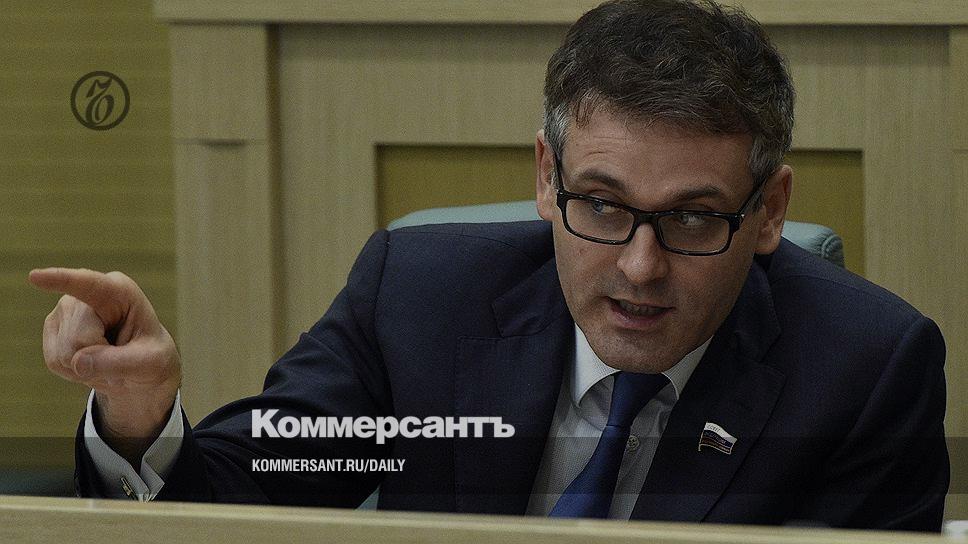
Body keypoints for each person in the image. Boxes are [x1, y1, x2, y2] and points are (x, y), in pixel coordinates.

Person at [30, 0, 948, 531]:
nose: (639, 267)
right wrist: (141, 415)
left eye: (693, 217)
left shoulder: (867, 370)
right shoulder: (420, 298)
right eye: (601, 205)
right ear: (546, 178)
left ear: (769, 210)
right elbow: (251, 490)